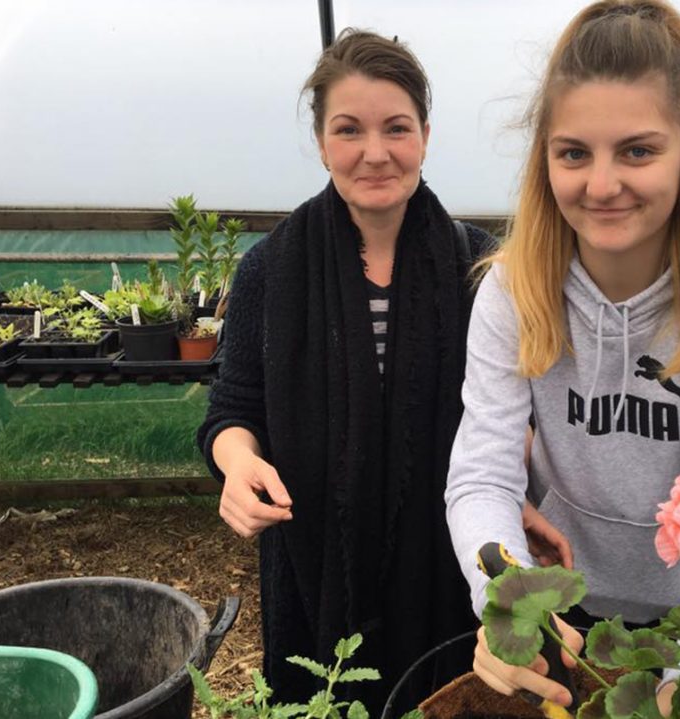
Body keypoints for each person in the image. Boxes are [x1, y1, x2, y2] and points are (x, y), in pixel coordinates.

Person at [444, 0, 680, 713]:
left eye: (638, 150)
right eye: (573, 152)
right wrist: (509, 603)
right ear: (543, 154)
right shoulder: (512, 293)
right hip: (566, 615)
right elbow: (481, 473)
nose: (602, 184)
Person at [196, 29, 496, 710]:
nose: (374, 152)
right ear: (322, 140)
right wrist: (237, 463)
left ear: (425, 132)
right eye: (348, 129)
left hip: (442, 565)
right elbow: (232, 409)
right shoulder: (271, 268)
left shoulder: (478, 266)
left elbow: (514, 412)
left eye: (396, 127)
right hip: (313, 568)